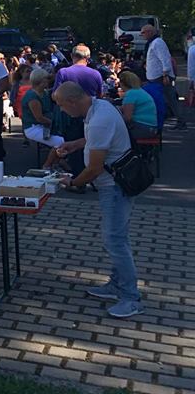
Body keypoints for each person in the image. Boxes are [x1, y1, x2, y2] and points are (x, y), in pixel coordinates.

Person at [52, 82, 142, 318]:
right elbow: (95, 140)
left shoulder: (99, 118)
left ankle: (131, 297)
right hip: (112, 186)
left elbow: (94, 168)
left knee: (115, 241)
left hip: (114, 187)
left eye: (61, 105)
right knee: (116, 238)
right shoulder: (99, 107)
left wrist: (73, 182)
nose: (61, 110)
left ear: (72, 102)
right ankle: (117, 285)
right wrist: (75, 145)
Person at [141, 24, 180, 128]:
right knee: (165, 98)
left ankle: (180, 120)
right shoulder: (152, 43)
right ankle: (174, 118)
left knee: (170, 98)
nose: (142, 35)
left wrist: (165, 74)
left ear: (150, 32)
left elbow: (165, 58)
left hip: (160, 77)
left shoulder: (158, 43)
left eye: (143, 32)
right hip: (156, 77)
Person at [22, 68, 65, 150]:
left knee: (67, 137)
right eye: (46, 79)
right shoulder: (32, 97)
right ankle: (52, 158)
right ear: (41, 81)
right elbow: (40, 118)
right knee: (60, 142)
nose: (48, 81)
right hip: (33, 127)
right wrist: (57, 124)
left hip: (45, 125)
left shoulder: (44, 92)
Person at [117, 71, 159, 139]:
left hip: (143, 128)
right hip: (151, 127)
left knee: (114, 133)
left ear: (122, 83)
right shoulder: (139, 91)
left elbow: (127, 118)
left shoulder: (131, 94)